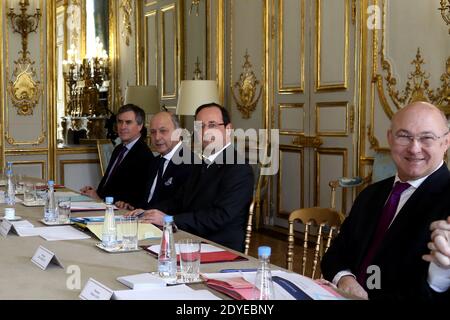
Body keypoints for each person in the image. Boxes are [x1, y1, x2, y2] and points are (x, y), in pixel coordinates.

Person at [321, 101, 450, 300]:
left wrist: (441, 276)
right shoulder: (371, 194)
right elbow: (335, 255)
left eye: (427, 138)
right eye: (404, 136)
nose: (414, 148)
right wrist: (345, 279)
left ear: (446, 142)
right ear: (390, 138)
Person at [127, 103, 254, 252]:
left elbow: (219, 217)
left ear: (228, 129)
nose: (205, 132)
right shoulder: (201, 164)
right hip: (190, 238)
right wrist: (148, 212)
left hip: (218, 246)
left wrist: (170, 220)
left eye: (212, 125)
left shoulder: (238, 168)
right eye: (200, 127)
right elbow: (179, 200)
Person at [116, 111, 193, 210]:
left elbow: (181, 205)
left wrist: (146, 213)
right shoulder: (155, 162)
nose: (157, 137)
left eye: (163, 131)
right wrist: (132, 206)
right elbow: (148, 200)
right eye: (153, 132)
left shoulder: (190, 162)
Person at [80, 104, 154, 207]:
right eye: (120, 122)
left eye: (128, 122)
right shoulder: (119, 149)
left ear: (140, 126)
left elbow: (134, 197)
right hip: (102, 206)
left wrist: (99, 200)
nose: (122, 127)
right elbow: (110, 184)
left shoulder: (144, 155)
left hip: (119, 212)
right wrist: (93, 192)